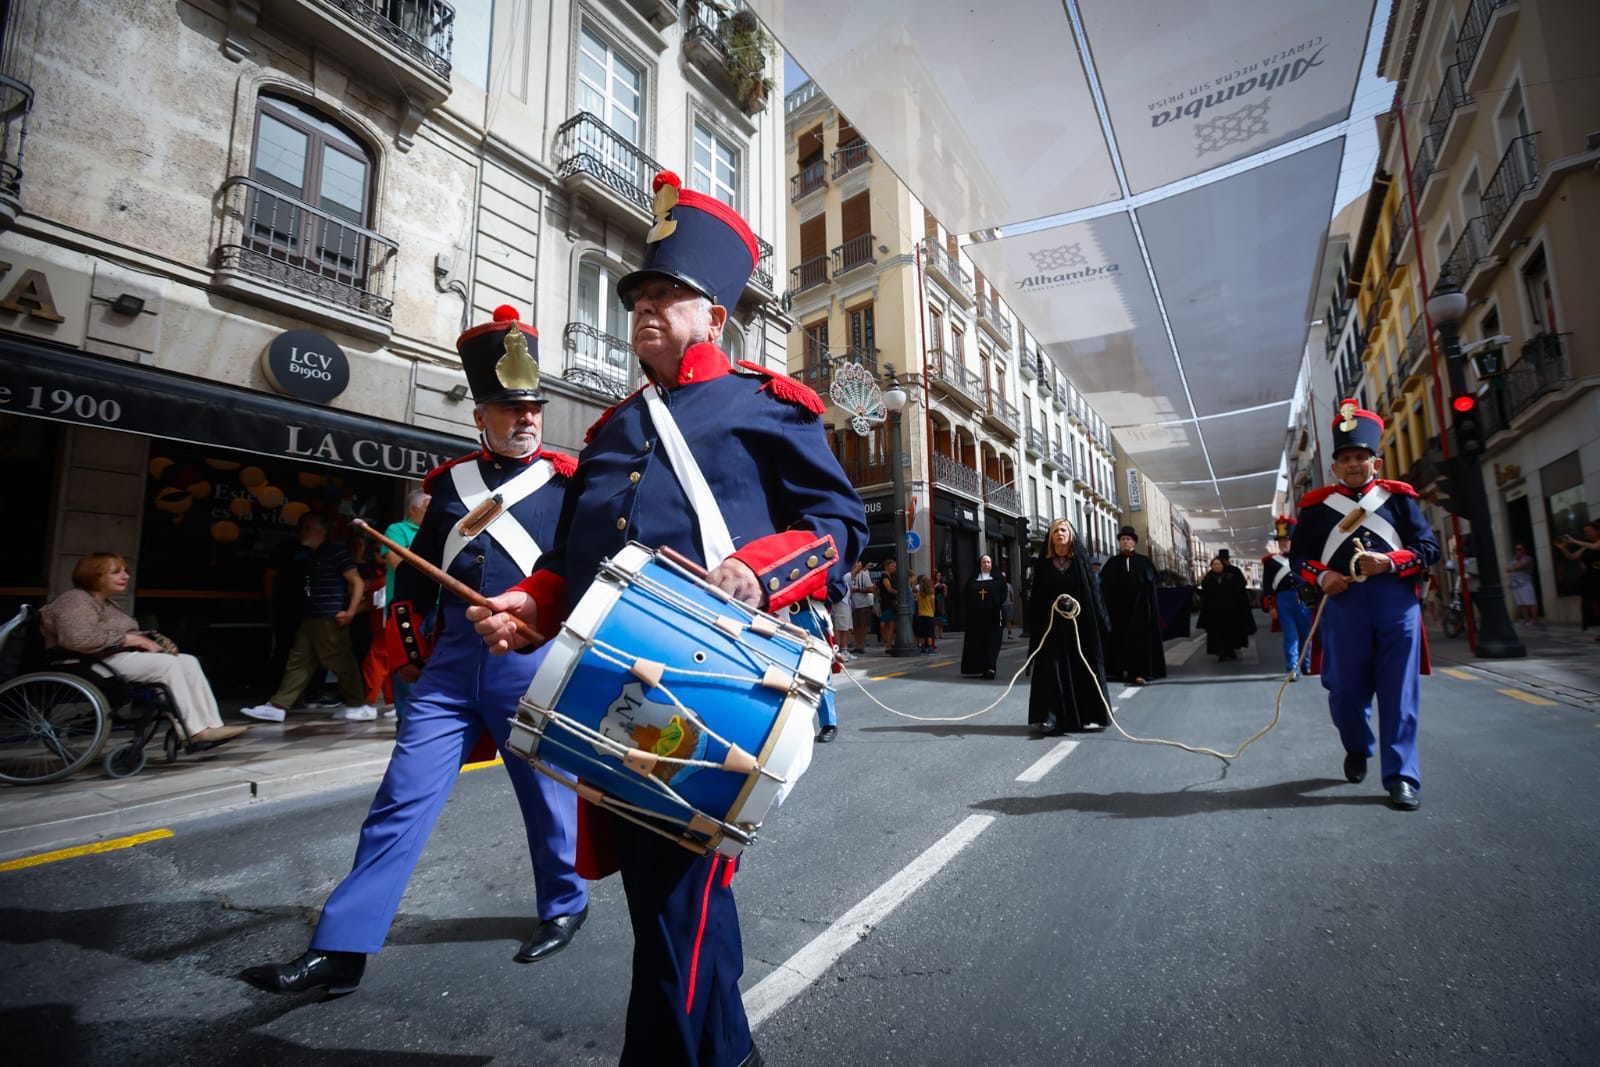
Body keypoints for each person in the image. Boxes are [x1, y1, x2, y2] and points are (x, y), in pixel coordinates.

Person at [466, 171, 868, 1067]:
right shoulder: (610, 430)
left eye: (668, 294)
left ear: (713, 314)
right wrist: (526, 608)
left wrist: (759, 572)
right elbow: (571, 567)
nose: (646, 308)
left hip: (713, 687)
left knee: (677, 898)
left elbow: (842, 527)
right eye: (640, 294)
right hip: (612, 684)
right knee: (665, 900)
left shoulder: (767, 406)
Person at [240, 306, 590, 996]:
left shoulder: (566, 485)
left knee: (547, 796)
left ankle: (565, 902)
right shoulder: (449, 489)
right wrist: (413, 656)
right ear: (480, 416)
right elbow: (413, 584)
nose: (526, 420)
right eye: (509, 408)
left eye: (533, 408)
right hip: (450, 666)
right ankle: (341, 946)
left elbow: (581, 579)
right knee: (400, 797)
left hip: (529, 654)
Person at [1290, 399, 1439, 811]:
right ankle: (1357, 746)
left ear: (1376, 462)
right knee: (1344, 692)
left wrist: (1389, 561)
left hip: (1396, 605)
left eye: (1362, 457)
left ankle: (1402, 777)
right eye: (1346, 458)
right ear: (1335, 467)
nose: (1355, 464)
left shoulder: (1399, 500)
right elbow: (1298, 560)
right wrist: (1323, 576)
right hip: (1343, 606)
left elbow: (1428, 547)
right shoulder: (1316, 509)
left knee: (1399, 694)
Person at [41, 553, 247, 747]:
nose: (125, 576)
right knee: (166, 664)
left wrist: (146, 637)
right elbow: (78, 639)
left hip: (110, 659)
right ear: (93, 575)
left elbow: (114, 633)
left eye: (125, 571)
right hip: (86, 663)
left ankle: (211, 725)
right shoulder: (75, 600)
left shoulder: (104, 602)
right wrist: (129, 638)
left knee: (187, 660)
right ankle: (194, 732)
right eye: (116, 572)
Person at [241, 513, 375, 722]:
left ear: (321, 532)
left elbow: (357, 582)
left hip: (329, 617)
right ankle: (278, 705)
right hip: (311, 616)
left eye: (307, 528)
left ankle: (357, 704)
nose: (302, 532)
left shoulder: (336, 551)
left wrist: (350, 612)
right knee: (299, 662)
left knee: (341, 661)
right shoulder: (311, 554)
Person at [1026, 518, 1110, 734]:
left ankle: (1081, 716)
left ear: (1070, 535)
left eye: (1063, 530)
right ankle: (1050, 718)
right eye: (1056, 531)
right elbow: (1037, 596)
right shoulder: (1044, 564)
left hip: (1077, 627)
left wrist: (1075, 604)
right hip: (1051, 627)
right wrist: (1052, 605)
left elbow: (1091, 594)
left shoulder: (1080, 563)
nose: (1059, 534)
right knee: (1051, 670)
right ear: (1051, 537)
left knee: (1078, 668)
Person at [369, 489, 430, 718]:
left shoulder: (436, 531)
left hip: (435, 606)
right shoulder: (397, 530)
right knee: (407, 669)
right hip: (406, 610)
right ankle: (406, 726)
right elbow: (399, 564)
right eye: (427, 508)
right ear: (413, 509)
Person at [1098, 525, 1166, 687]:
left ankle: (1140, 672)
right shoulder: (1112, 563)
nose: (1125, 542)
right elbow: (1104, 589)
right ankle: (1117, 671)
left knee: (1140, 642)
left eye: (1128, 539)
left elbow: (1150, 590)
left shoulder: (1144, 562)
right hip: (1118, 612)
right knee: (1117, 640)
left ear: (1134, 542)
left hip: (1139, 612)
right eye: (1122, 539)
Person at [1260, 516, 1313, 678]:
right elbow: (1268, 586)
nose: (1285, 543)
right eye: (1282, 540)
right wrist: (1271, 606)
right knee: (1290, 635)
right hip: (1284, 600)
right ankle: (1292, 667)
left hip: (1304, 596)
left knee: (1307, 634)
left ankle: (1306, 664)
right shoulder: (1270, 562)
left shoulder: (1305, 558)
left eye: (1288, 540)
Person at [1197, 553, 1254, 661]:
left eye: (1218, 564)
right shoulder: (1208, 577)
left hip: (1231, 610)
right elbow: (1205, 592)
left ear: (1223, 565)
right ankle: (1221, 652)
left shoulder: (1232, 575)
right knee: (1217, 633)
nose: (1216, 566)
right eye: (1214, 564)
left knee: (1231, 632)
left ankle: (1231, 651)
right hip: (1215, 612)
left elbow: (1240, 590)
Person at [960, 554, 1005, 678]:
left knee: (992, 642)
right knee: (977, 642)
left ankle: (990, 667)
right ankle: (976, 667)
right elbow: (966, 596)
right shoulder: (972, 580)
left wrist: (994, 604)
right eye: (984, 562)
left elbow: (1003, 594)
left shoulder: (998, 580)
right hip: (976, 618)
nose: (986, 564)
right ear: (980, 564)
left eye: (988, 562)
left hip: (992, 616)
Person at [1553, 523, 1600, 638]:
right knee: (1595, 605)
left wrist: (1574, 541)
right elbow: (1572, 557)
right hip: (1592, 578)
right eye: (1585, 532)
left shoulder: (1595, 544)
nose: (1587, 534)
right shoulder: (1586, 545)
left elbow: (1596, 547)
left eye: (1589, 531)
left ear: (1597, 531)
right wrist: (1563, 548)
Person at [1505, 543, 1538, 624]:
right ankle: (1526, 619)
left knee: (1531, 602)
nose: (1517, 551)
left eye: (1519, 549)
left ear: (1524, 550)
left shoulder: (1528, 558)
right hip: (1516, 584)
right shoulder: (1514, 559)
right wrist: (1515, 565)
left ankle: (1534, 620)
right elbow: (1507, 569)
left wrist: (1514, 566)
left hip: (1525, 583)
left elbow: (1520, 566)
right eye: (1516, 549)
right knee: (1522, 603)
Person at [848, 558, 874, 653]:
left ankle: (861, 645)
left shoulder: (864, 575)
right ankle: (857, 645)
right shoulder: (848, 575)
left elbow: (870, 588)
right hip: (852, 604)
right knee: (855, 626)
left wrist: (857, 589)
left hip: (863, 604)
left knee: (862, 626)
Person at [878, 558, 900, 648]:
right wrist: (900, 592)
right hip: (888, 603)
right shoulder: (885, 576)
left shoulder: (891, 576)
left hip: (888, 602)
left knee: (890, 624)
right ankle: (888, 645)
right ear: (887, 566)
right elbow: (889, 589)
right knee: (890, 624)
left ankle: (889, 643)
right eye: (892, 566)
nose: (894, 568)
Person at [913, 573, 936, 654]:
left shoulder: (919, 595)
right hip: (929, 615)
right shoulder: (931, 595)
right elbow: (933, 606)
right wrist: (934, 612)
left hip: (921, 615)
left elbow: (918, 604)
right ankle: (929, 647)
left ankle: (922, 647)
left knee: (922, 633)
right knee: (929, 633)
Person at [932, 569, 948, 646]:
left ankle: (941, 633)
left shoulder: (943, 585)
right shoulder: (934, 584)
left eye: (940, 575)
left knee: (942, 616)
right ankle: (935, 633)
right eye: (938, 575)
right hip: (935, 600)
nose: (939, 577)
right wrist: (935, 586)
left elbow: (945, 595)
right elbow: (932, 593)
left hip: (941, 601)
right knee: (936, 617)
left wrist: (945, 588)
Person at [999, 569, 1016, 640]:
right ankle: (1008, 634)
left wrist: (1012, 602)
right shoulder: (1007, 586)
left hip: (1006, 604)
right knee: (1005, 620)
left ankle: (1009, 633)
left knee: (1007, 620)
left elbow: (1012, 596)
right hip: (1004, 605)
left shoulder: (1007, 586)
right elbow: (1012, 596)